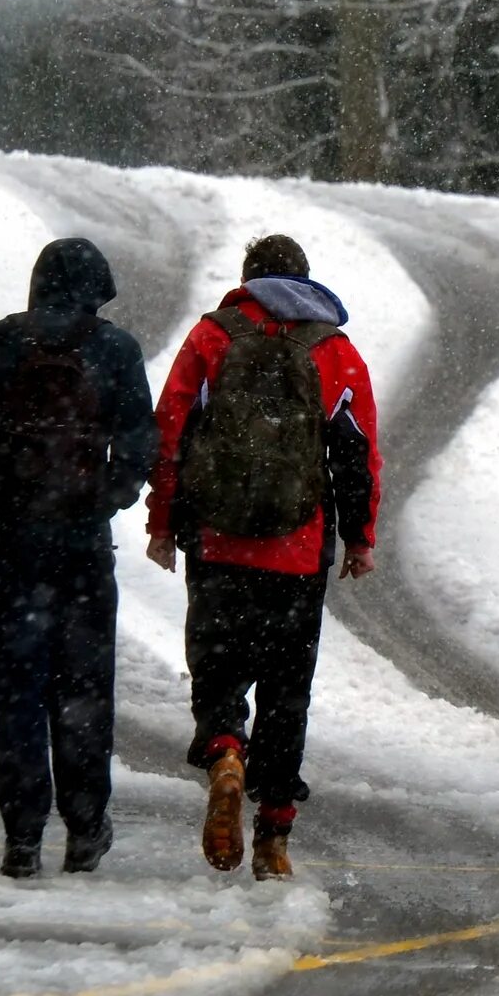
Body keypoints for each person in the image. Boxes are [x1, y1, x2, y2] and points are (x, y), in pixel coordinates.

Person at [145, 233, 380, 881]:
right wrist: (359, 537)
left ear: (248, 279)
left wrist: (163, 523)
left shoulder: (211, 337)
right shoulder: (335, 351)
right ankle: (275, 829)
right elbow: (358, 454)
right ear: (305, 282)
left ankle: (224, 751)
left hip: (220, 544)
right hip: (297, 552)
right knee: (286, 689)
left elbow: (170, 431)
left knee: (217, 668)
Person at [0, 237, 157, 878]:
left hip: (8, 546)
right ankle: (86, 828)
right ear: (97, 287)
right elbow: (140, 440)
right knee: (84, 689)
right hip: (82, 547)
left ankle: (23, 837)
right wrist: (106, 497)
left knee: (16, 692)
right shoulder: (114, 349)